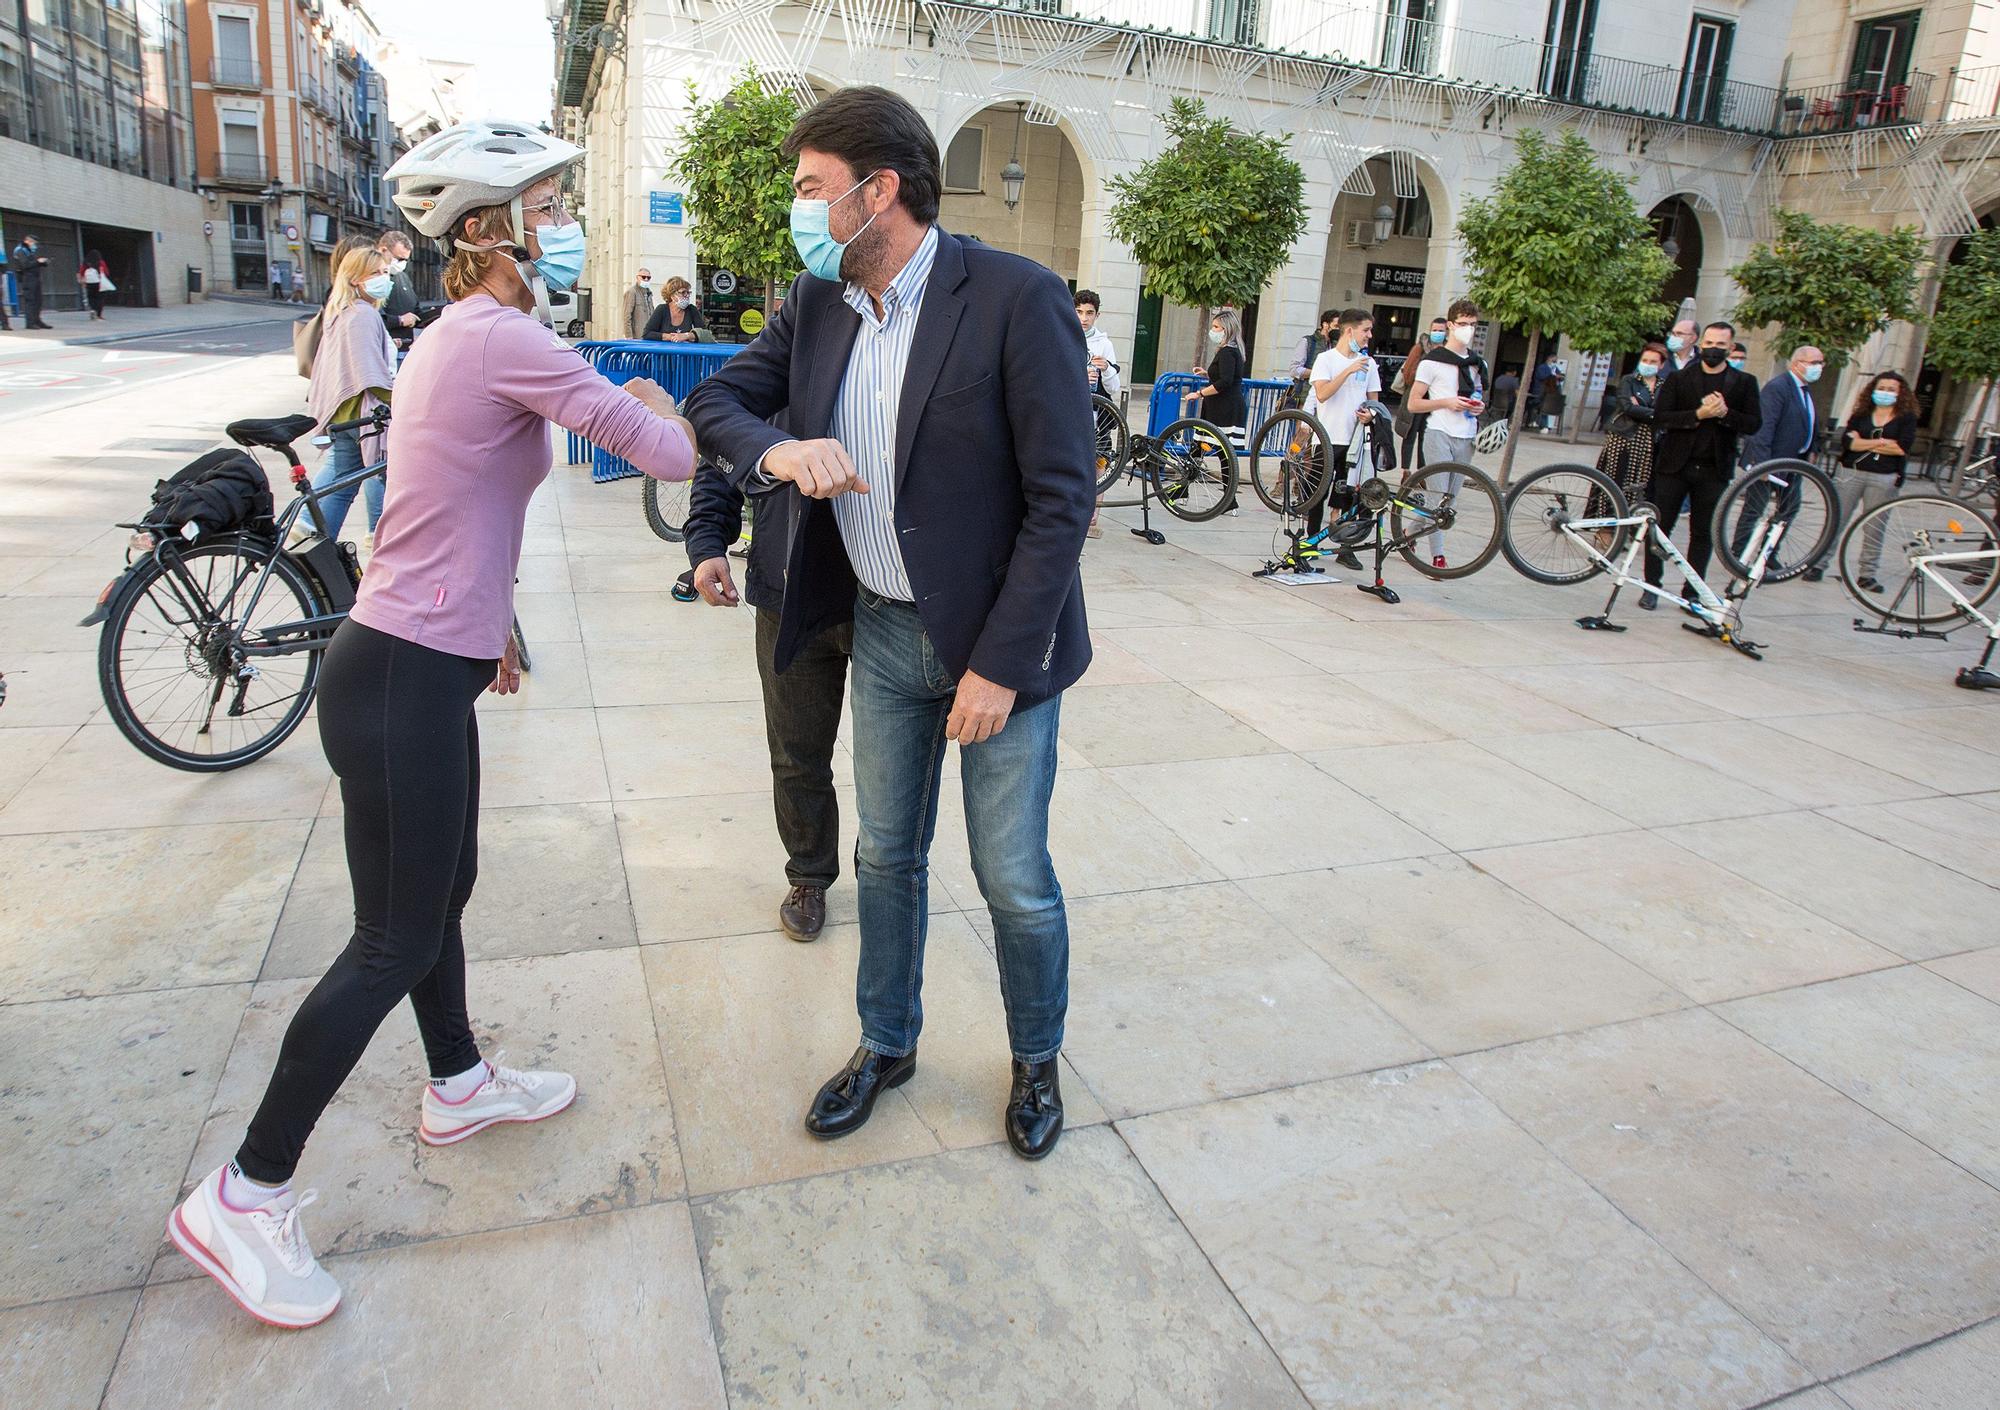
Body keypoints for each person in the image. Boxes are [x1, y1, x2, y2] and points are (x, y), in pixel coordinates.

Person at [166, 119, 696, 1330]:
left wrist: (489, 622)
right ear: (489, 229)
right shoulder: (504, 336)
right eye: (551, 207)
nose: (566, 224)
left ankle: (455, 1081)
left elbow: (442, 502)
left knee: (438, 888)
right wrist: (663, 399)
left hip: (415, 660)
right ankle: (246, 1192)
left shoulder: (464, 338)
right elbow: (660, 444)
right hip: (400, 675)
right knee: (391, 938)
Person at [682, 84, 1093, 1163]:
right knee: (884, 858)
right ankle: (885, 1043)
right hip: (880, 634)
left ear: (881, 191)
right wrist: (775, 453)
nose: (802, 212)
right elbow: (715, 402)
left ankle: (1035, 1061)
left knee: (1012, 878)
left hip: (994, 650)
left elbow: (1062, 499)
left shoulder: (1012, 297)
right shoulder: (816, 307)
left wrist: (1001, 665)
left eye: (814, 190)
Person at [684, 455, 852, 940]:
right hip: (787, 589)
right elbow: (720, 454)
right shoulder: (766, 378)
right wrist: (708, 541)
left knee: (892, 758)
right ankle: (809, 873)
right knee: (796, 751)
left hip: (884, 599)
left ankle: (886, 872)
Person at [1642, 320, 1762, 608]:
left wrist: (1724, 414)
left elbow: (1753, 423)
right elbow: (1661, 417)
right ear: (1700, 344)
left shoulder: (1744, 383)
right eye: (1708, 344)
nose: (1713, 349)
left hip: (1715, 469)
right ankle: (1651, 586)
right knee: (1660, 529)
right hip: (1675, 465)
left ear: (1730, 348)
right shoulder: (1680, 379)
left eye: (1720, 345)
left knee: (1703, 533)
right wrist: (1699, 413)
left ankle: (1692, 590)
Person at [299, 245, 399, 544]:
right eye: (376, 273)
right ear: (356, 278)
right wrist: (405, 399)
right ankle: (373, 535)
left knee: (342, 476)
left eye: (385, 272)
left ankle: (312, 526)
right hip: (360, 415)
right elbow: (369, 374)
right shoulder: (362, 314)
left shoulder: (344, 311)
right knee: (369, 476)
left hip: (345, 413)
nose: (384, 279)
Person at [1406, 299, 1490, 568]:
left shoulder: (1478, 363)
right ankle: (1437, 557)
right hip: (1439, 432)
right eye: (1463, 324)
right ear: (1451, 325)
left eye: (1473, 325)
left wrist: (1477, 408)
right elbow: (1414, 403)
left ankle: (1408, 533)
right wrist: (1446, 402)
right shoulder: (1432, 362)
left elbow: (1477, 394)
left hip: (1466, 436)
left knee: (1449, 500)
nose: (1468, 330)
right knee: (1436, 499)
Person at [1732, 344, 1825, 563]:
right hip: (1770, 461)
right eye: (1814, 363)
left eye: (1821, 363)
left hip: (1794, 463)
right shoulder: (1779, 387)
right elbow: (1764, 427)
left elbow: (1809, 423)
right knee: (1755, 508)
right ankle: (1739, 550)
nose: (1819, 367)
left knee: (1789, 508)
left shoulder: (1804, 390)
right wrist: (1762, 464)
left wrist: (1811, 450)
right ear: (1797, 364)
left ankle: (1769, 551)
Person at [1303, 307, 1381, 556]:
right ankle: (1310, 544)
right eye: (1365, 330)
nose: (1369, 335)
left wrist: (1371, 414)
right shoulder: (1326, 360)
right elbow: (1322, 394)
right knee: (1318, 495)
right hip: (1326, 439)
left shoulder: (1370, 364)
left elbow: (1374, 401)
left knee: (1349, 496)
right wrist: (1348, 370)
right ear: (1349, 331)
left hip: (1355, 442)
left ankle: (1346, 549)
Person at [1837, 370, 1919, 592]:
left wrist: (1864, 441)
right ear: (1873, 389)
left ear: (1900, 393)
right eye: (1882, 388)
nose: (1885, 392)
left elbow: (1901, 447)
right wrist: (1883, 442)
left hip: (1884, 477)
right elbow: (1848, 443)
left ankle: (1867, 574)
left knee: (1875, 527)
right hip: (1851, 472)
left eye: (1891, 389)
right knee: (1837, 520)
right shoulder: (1862, 413)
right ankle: (1818, 564)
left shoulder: (1907, 418)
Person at [1589, 342, 1666, 527]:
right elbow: (1627, 407)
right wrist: (1653, 413)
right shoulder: (1629, 381)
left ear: (1661, 365)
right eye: (1645, 360)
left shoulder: (1664, 385)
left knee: (1638, 484)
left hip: (1647, 442)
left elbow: (1665, 411)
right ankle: (1606, 525)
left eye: (1653, 361)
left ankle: (1630, 525)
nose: (1647, 364)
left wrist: (1643, 408)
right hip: (1623, 437)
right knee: (1614, 480)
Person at [1075, 289, 1121, 540]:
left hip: (1099, 414)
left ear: (1097, 315)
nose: (1084, 318)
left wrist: (1107, 370)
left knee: (1099, 463)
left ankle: (1093, 517)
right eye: (1080, 312)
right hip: (1073, 411)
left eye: (1089, 313)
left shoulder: (1105, 343)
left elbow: (1115, 388)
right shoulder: (1064, 336)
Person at [1397, 315, 1449, 469]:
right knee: (1410, 435)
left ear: (1447, 332)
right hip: (1415, 397)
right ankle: (1405, 471)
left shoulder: (1448, 351)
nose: (1437, 333)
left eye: (1441, 330)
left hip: (1434, 401)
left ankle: (1422, 472)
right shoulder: (1420, 348)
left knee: (1426, 438)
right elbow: (1407, 374)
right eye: (1435, 330)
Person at [1184, 306, 1247, 432]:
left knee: (1215, 448)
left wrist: (1198, 394)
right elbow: (1228, 374)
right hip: (1224, 407)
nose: (1212, 330)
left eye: (1216, 327)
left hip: (1224, 409)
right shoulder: (1233, 351)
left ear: (1227, 330)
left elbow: (1225, 382)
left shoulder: (1227, 352)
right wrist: (1208, 374)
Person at [375, 231, 421, 346]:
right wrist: (400, 320)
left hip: (405, 347)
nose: (402, 264)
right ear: (383, 251)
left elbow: (415, 309)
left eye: (406, 260)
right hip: (385, 347)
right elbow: (371, 318)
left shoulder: (403, 277)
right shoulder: (372, 279)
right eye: (399, 259)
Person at [1288, 309, 1338, 406]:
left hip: (1327, 400)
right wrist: (1319, 373)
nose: (1338, 330)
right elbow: (1294, 370)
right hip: (1305, 397)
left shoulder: (1336, 345)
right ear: (1325, 325)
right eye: (1336, 326)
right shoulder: (1308, 341)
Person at [643, 276, 706, 341]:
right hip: (665, 350)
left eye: (688, 292)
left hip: (685, 350)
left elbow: (704, 333)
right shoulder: (662, 309)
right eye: (683, 292)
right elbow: (647, 334)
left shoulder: (691, 309)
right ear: (672, 296)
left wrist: (686, 335)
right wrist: (671, 337)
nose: (687, 295)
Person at [9, 233, 51, 328]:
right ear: (27, 241)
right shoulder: (20, 250)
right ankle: (30, 323)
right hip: (27, 278)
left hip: (35, 277)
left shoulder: (29, 251)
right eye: (33, 243)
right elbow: (25, 265)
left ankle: (37, 320)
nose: (34, 245)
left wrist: (43, 262)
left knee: (38, 300)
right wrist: (37, 261)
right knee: (30, 300)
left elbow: (33, 263)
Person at [1527, 348, 1563, 432]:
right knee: (1542, 406)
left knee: (1547, 406)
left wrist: (1559, 377)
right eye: (1554, 360)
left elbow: (1560, 376)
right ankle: (1543, 425)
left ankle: (1545, 425)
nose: (1556, 362)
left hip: (1551, 392)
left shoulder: (1555, 368)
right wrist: (1553, 376)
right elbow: (1542, 377)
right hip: (1541, 392)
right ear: (1550, 358)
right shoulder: (1542, 367)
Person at [77, 249, 111, 320]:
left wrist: (82, 282)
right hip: (99, 283)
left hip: (89, 284)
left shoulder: (86, 263)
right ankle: (99, 314)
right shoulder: (101, 262)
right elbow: (106, 272)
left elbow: (81, 273)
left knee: (91, 297)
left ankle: (92, 309)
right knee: (100, 298)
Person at [622, 266, 655, 340]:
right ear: (637, 278)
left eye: (648, 277)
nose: (646, 279)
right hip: (637, 335)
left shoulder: (649, 293)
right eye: (643, 277)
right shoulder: (632, 292)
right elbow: (627, 316)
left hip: (648, 334)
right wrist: (628, 335)